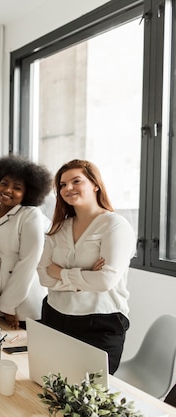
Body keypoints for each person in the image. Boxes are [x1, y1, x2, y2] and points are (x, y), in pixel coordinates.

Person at [37, 159, 136, 374]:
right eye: (62, 184)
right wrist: (85, 278)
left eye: (76, 181)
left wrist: (61, 273)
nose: (68, 188)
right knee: (49, 388)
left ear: (95, 184)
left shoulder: (115, 225)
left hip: (99, 323)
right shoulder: (59, 227)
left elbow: (105, 281)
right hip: (55, 315)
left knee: (88, 399)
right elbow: (44, 276)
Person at [0, 155, 52, 329]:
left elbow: (29, 262)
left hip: (21, 304)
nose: (8, 190)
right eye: (4, 183)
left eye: (17, 188)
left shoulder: (30, 215)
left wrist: (8, 305)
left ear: (28, 193)